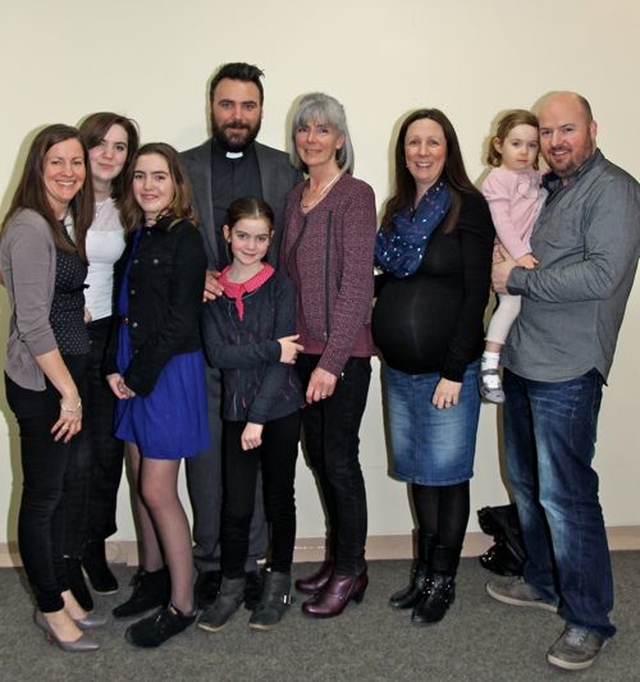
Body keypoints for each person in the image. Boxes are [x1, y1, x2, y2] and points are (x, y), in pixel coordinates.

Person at [487, 92, 640, 671]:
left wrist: (519, 281)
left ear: (593, 129)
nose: (554, 141)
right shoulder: (548, 187)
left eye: (566, 129)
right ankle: (544, 579)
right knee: (526, 485)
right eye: (546, 131)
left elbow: (602, 275)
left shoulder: (616, 191)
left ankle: (588, 619)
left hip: (570, 370)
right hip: (525, 360)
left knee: (567, 496)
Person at [181, 61, 301, 610]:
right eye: (227, 104)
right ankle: (213, 561)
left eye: (248, 105)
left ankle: (250, 563)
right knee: (211, 458)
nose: (237, 115)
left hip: (268, 341)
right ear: (212, 105)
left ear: (260, 110)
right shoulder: (182, 169)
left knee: (259, 456)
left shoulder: (284, 169)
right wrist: (194, 277)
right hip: (207, 337)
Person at [372, 109, 494, 625]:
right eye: (413, 143)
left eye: (433, 142)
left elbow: (474, 295)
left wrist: (452, 368)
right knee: (419, 473)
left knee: (447, 476)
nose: (422, 152)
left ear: (449, 150)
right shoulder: (396, 210)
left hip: (450, 370)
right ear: (403, 152)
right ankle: (423, 571)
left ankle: (444, 580)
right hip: (400, 371)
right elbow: (391, 278)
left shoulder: (468, 207)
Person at [0, 124, 107, 652]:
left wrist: (75, 307)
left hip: (61, 371)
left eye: (76, 162)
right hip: (44, 382)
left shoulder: (58, 221)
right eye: (57, 162)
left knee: (57, 492)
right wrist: (69, 392)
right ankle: (49, 607)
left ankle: (60, 593)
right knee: (43, 499)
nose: (69, 172)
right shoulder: (28, 226)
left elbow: (46, 294)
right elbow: (32, 325)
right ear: (38, 167)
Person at [106, 143, 209, 648]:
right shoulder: (138, 233)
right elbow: (120, 305)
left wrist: (137, 375)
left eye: (159, 177)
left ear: (176, 185)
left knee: (156, 489)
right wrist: (112, 365)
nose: (148, 185)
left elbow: (180, 320)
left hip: (164, 369)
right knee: (135, 469)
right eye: (141, 176)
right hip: (132, 362)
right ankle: (151, 578)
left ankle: (182, 603)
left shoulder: (185, 237)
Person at [280, 92, 377, 618]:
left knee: (339, 460)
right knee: (318, 457)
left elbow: (358, 284)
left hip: (342, 355)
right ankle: (339, 558)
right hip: (301, 353)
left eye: (322, 130)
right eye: (303, 129)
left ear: (340, 138)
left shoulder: (354, 195)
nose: (312, 138)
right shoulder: (297, 196)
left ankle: (351, 569)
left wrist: (332, 362)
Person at [198, 197, 304, 633]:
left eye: (261, 238)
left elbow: (287, 359)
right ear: (227, 235)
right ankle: (232, 585)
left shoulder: (280, 287)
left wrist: (259, 418)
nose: (251, 245)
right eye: (243, 235)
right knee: (235, 504)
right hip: (235, 414)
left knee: (279, 498)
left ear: (271, 239)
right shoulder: (213, 292)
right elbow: (220, 354)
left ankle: (278, 581)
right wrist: (270, 348)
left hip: (278, 411)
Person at [60, 113, 138, 608]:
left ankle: (94, 547)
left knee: (108, 453)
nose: (110, 154)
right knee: (76, 454)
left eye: (121, 147)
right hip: (69, 336)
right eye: (101, 144)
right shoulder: (58, 199)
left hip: (113, 336)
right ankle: (66, 559)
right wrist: (63, 299)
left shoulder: (129, 206)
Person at [479, 110, 545, 403]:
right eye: (516, 143)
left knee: (521, 307)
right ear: (498, 144)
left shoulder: (534, 176)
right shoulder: (497, 179)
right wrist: (520, 255)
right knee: (510, 304)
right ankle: (489, 364)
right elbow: (501, 221)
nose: (524, 151)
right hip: (505, 252)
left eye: (532, 145)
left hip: (523, 253)